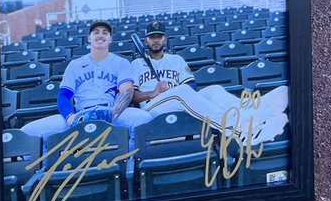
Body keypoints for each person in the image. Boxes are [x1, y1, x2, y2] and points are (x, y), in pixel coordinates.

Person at [130, 21, 289, 147]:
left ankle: (251, 109)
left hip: (177, 100)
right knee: (181, 93)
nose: (156, 40)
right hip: (152, 108)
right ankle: (237, 129)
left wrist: (172, 91)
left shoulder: (176, 60)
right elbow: (133, 96)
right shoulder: (136, 64)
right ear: (146, 40)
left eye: (159, 36)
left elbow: (191, 86)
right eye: (152, 37)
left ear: (165, 39)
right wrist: (154, 92)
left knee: (214, 90)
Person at [20, 20, 152, 138]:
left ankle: (131, 160)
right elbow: (63, 96)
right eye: (96, 32)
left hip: (112, 111)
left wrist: (113, 114)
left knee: (144, 119)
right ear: (89, 38)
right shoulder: (75, 65)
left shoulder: (121, 62)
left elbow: (127, 91)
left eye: (105, 33)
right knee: (27, 132)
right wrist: (70, 117)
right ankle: (50, 165)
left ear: (110, 39)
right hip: (81, 114)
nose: (100, 35)